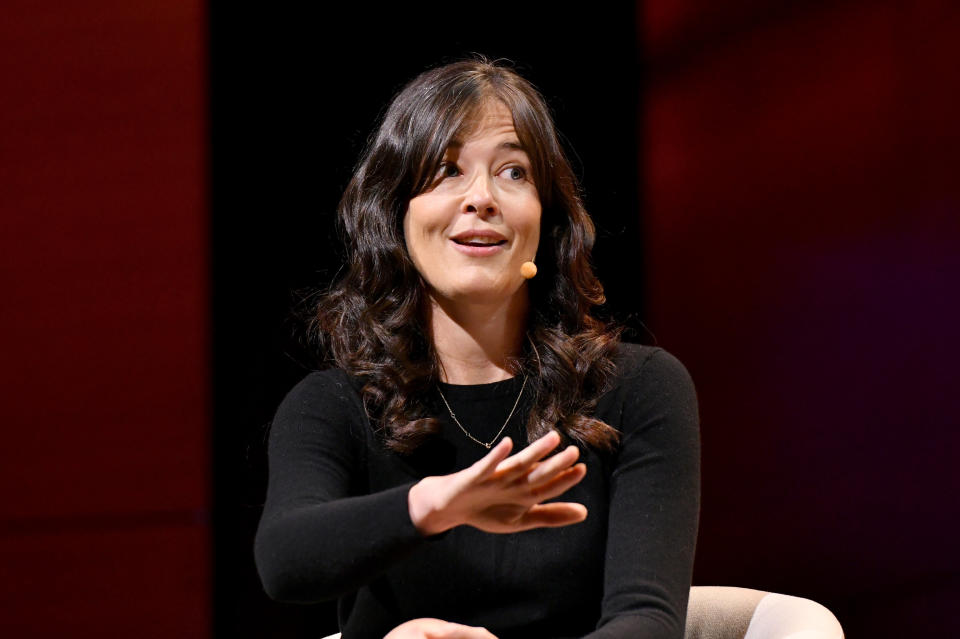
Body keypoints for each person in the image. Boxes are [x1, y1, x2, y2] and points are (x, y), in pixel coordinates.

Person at [254, 57, 700, 639]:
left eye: (514, 172)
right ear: (396, 214)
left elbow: (648, 621)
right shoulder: (335, 404)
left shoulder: (638, 389)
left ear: (548, 220)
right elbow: (286, 563)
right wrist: (438, 504)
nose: (482, 198)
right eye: (446, 171)